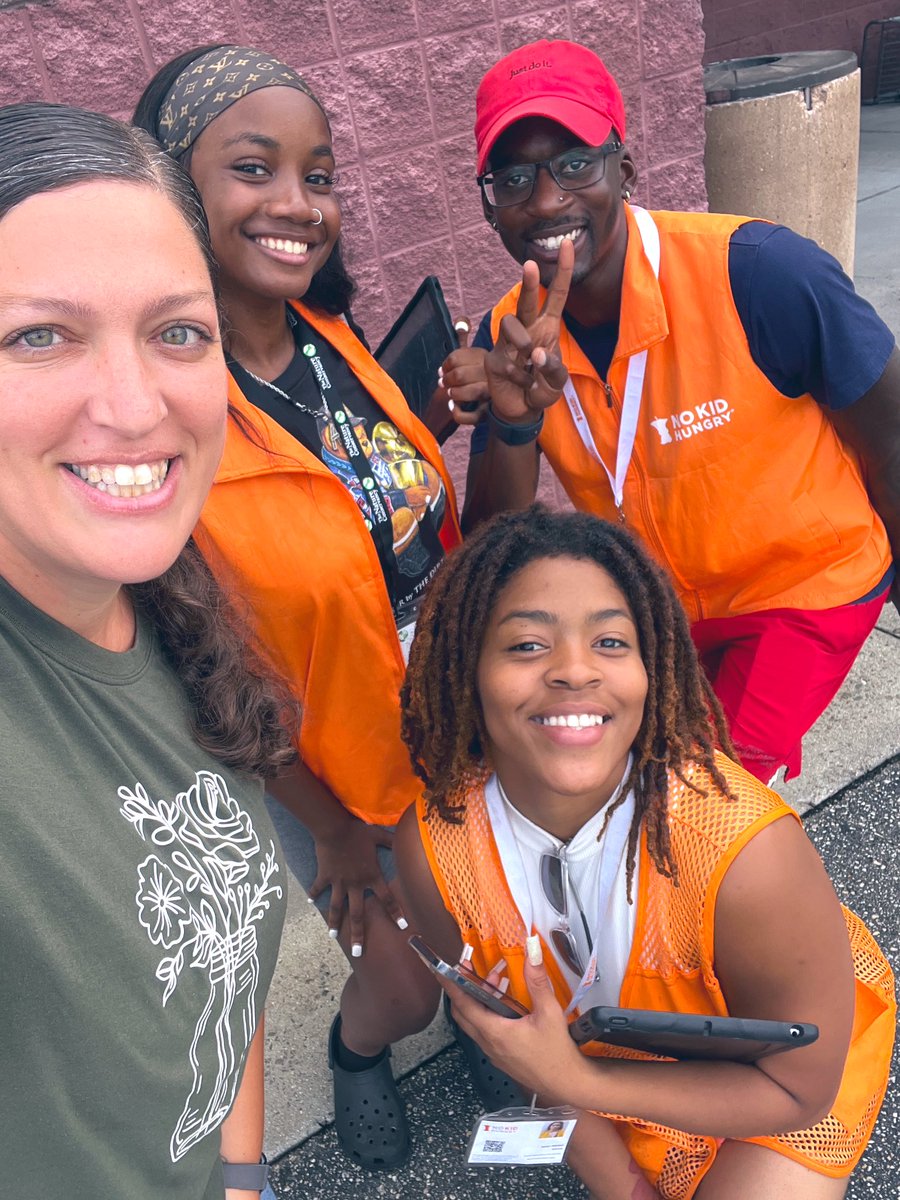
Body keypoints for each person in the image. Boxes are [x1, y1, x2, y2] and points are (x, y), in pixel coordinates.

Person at [133, 44, 461, 1169]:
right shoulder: (166, 415)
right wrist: (330, 828)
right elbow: (199, 667)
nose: (297, 204)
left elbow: (371, 518)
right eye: (254, 169)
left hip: (456, 717)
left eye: (317, 176)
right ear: (176, 191)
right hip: (332, 767)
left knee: (488, 937)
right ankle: (361, 1051)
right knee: (409, 989)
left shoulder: (326, 340)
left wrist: (488, 422)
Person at [395, 506, 895, 1200]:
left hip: (777, 1080)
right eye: (526, 646)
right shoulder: (430, 849)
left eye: (610, 642)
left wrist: (575, 1079)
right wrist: (580, 1110)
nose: (574, 671)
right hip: (596, 1053)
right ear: (466, 671)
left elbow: (798, 1089)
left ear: (653, 668)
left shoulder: (749, 858)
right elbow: (518, 1036)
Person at [443, 38, 900, 785]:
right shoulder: (510, 335)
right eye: (515, 176)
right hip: (665, 616)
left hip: (802, 592)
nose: (548, 198)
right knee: (599, 788)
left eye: (575, 163)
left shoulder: (758, 271)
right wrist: (519, 418)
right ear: (490, 202)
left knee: (702, 801)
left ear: (623, 168)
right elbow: (496, 543)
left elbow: (890, 433)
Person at [0, 103, 300, 1199]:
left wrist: (241, 1171)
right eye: (40, 334)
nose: (134, 408)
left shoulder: (167, 609)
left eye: (178, 331)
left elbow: (236, 947)